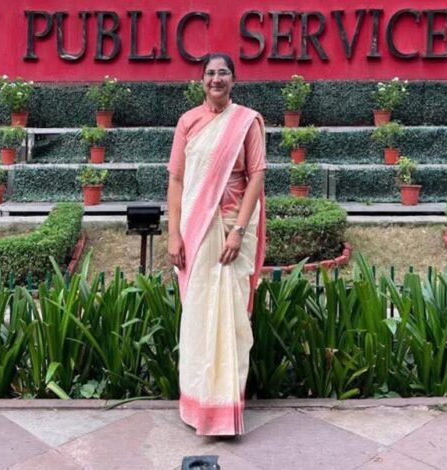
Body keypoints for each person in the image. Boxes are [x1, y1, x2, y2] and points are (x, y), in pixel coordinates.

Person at [167, 52, 267, 436]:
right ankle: (197, 406)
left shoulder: (247, 122)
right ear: (201, 80)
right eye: (210, 73)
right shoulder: (188, 122)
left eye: (223, 73)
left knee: (231, 317)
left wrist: (238, 230)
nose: (216, 79)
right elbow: (176, 180)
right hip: (196, 231)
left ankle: (225, 410)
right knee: (198, 315)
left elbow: (256, 176)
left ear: (233, 80)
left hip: (231, 230)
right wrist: (174, 233)